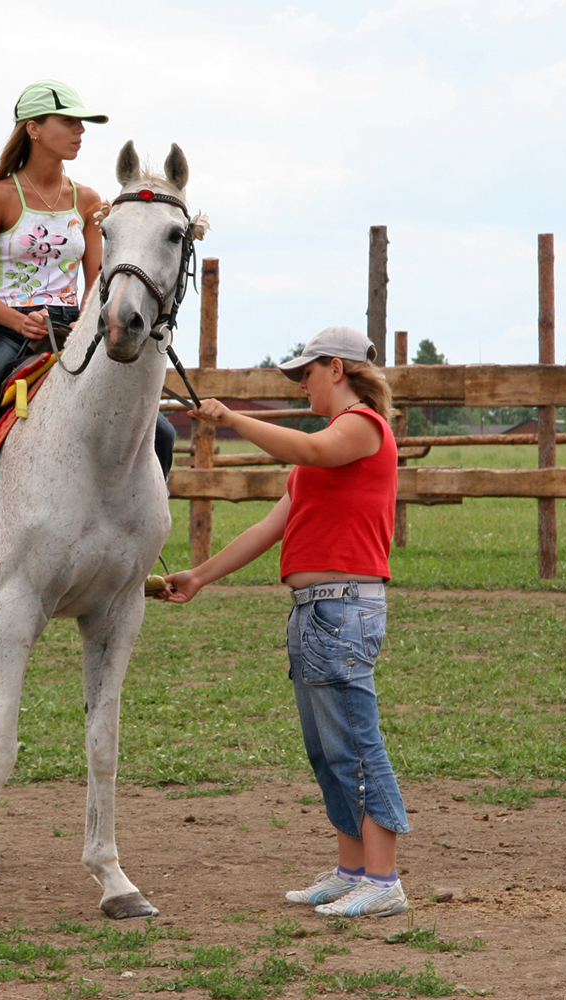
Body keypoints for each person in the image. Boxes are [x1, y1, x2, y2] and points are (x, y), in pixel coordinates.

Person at [157, 325, 410, 919]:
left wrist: (234, 420)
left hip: (342, 609)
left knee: (356, 744)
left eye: (307, 374)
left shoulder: (360, 430)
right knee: (329, 751)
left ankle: (383, 878)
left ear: (337, 369)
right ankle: (353, 871)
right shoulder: (324, 452)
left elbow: (311, 449)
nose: (301, 386)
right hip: (317, 612)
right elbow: (269, 530)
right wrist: (200, 575)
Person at [0, 79, 175, 582]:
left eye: (83, 124)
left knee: (160, 430)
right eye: (69, 122)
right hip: (5, 329)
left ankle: (136, 543)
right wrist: (18, 320)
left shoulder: (90, 200)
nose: (80, 132)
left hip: (75, 330)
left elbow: (99, 278)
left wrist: (84, 320)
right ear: (34, 129)